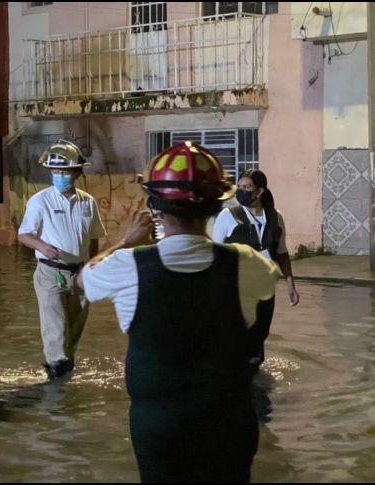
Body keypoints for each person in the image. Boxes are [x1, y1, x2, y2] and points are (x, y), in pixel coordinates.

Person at [78, 142, 280, 482]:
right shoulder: (245, 262)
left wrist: (126, 240)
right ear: (217, 204)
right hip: (229, 424)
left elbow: (83, 279)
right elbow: (269, 284)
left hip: (159, 429)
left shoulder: (128, 265)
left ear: (154, 206)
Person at [17, 140, 106, 380]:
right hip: (50, 273)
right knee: (55, 328)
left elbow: (94, 238)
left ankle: (65, 375)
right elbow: (24, 235)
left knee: (74, 329)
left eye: (64, 171)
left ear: (77, 172)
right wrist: (42, 247)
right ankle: (55, 378)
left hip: (80, 274)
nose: (59, 176)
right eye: (55, 171)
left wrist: (91, 267)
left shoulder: (88, 202)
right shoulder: (40, 201)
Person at [212, 168, 299, 368]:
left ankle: (254, 370)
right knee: (237, 330)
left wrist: (290, 284)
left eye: (247, 187)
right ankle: (235, 369)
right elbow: (215, 253)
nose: (242, 191)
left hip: (265, 285)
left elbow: (282, 253)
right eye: (240, 187)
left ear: (259, 191)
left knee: (261, 331)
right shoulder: (228, 215)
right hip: (237, 286)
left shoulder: (275, 217)